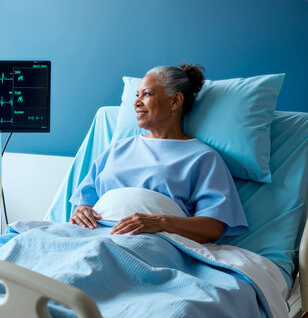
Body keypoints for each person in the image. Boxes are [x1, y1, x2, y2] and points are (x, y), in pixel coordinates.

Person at [68, 63, 248, 243]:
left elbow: (213, 228)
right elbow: (85, 200)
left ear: (175, 101)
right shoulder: (117, 149)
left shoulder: (203, 157)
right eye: (137, 95)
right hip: (91, 234)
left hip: (149, 241)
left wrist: (160, 222)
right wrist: (81, 211)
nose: (136, 102)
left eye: (146, 94)